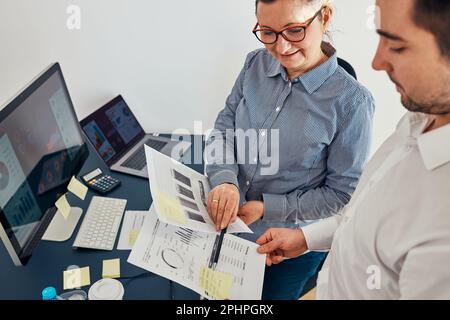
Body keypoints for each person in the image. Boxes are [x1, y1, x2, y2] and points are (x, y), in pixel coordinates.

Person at [257, 0, 450, 299]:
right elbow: (366, 215)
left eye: (397, 46)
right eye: (380, 37)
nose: (376, 62)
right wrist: (306, 238)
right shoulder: (416, 120)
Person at [204, 0, 375, 300]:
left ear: (325, 16)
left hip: (287, 245)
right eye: (268, 32)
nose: (281, 48)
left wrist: (267, 207)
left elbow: (340, 194)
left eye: (294, 30)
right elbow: (225, 125)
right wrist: (225, 180)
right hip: (227, 225)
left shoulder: (353, 103)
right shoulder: (254, 63)